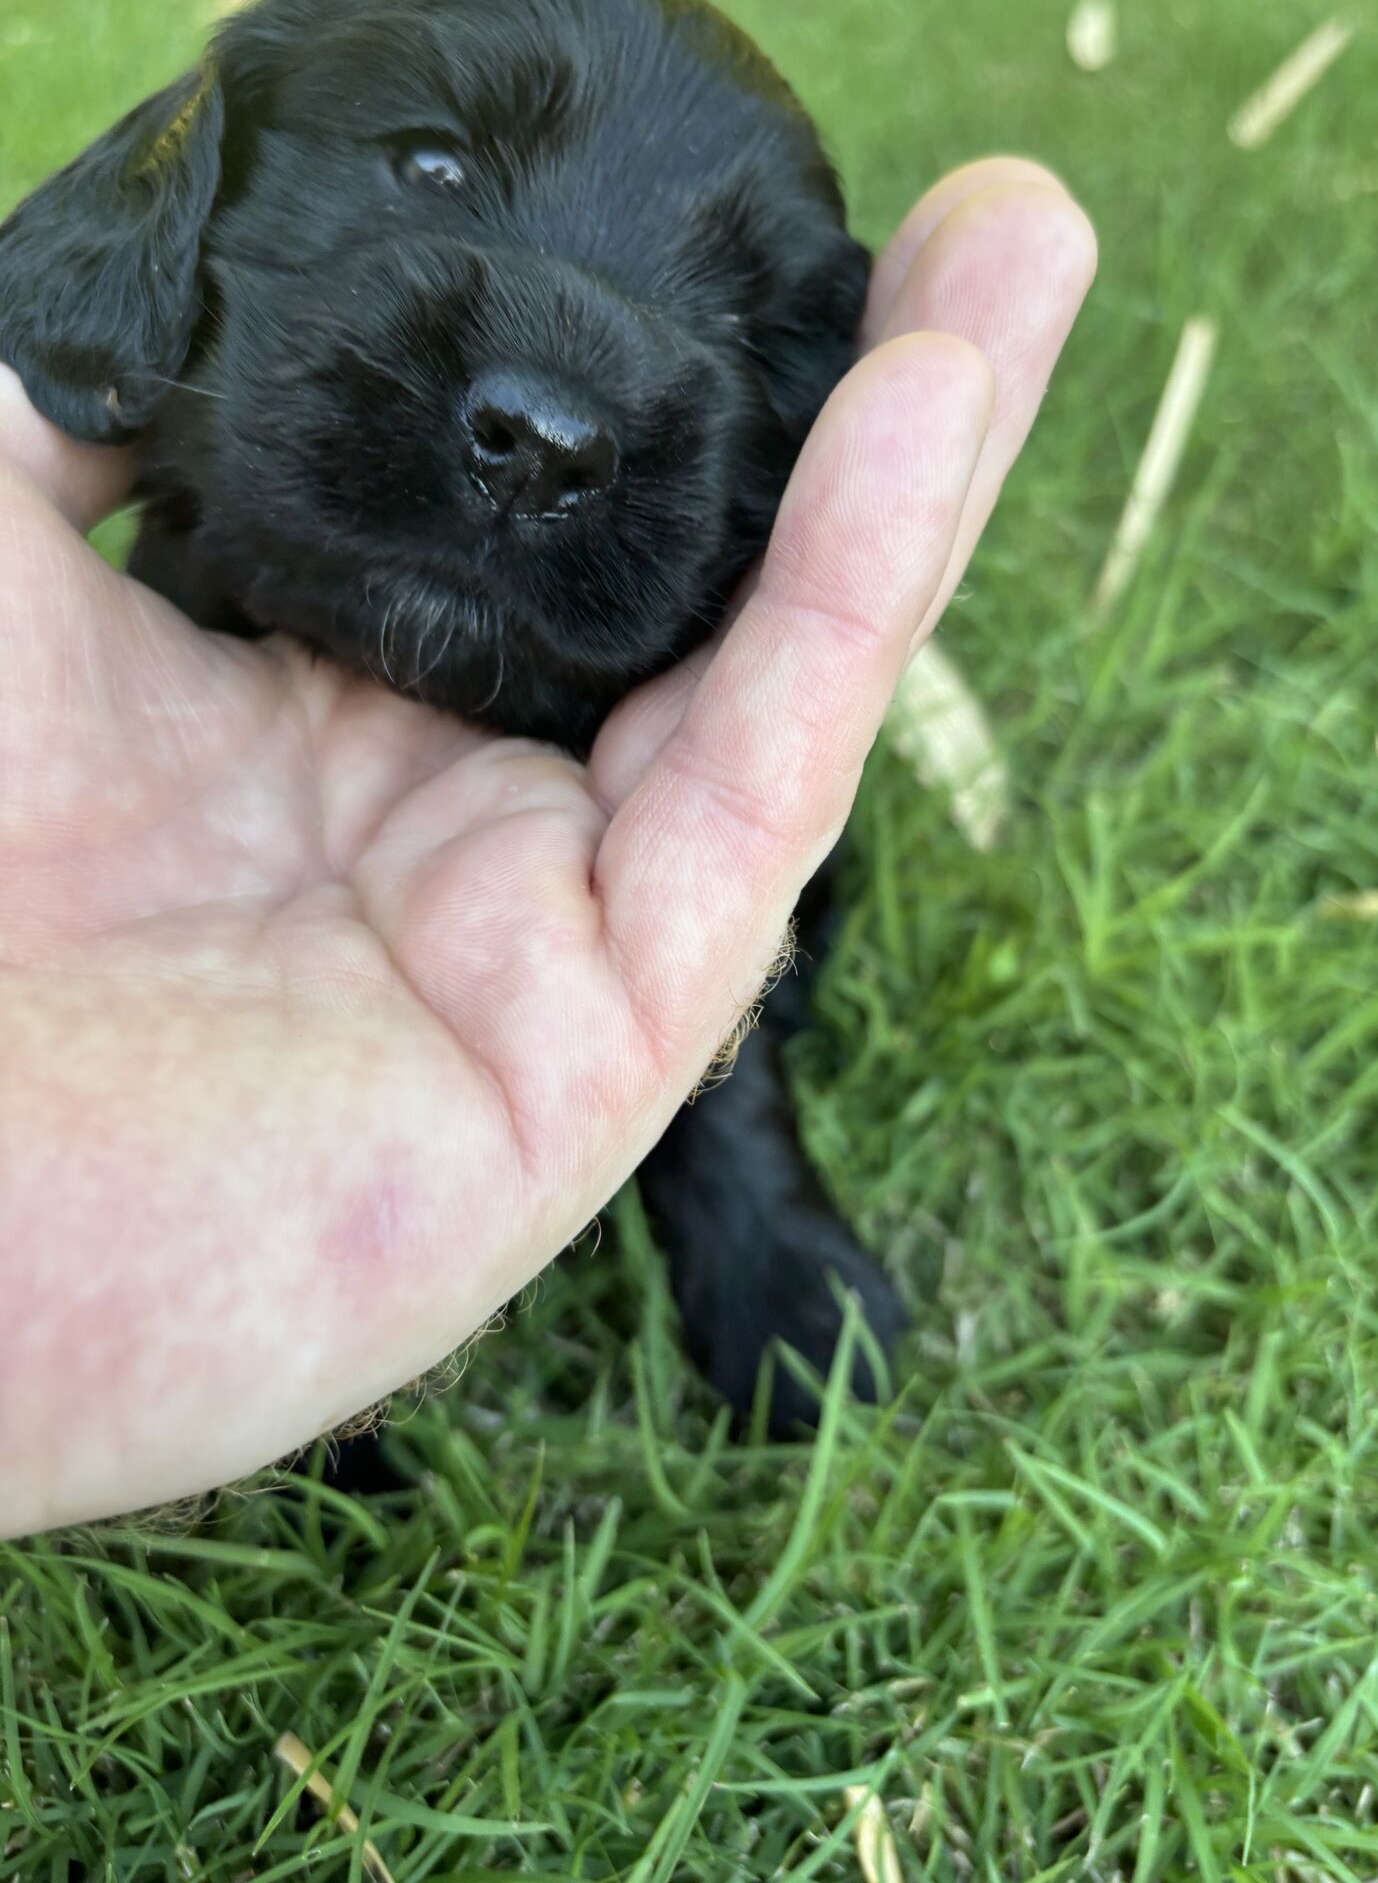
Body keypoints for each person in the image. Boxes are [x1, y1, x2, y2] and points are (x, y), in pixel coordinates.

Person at [0, 161, 1096, 1536]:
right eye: (434, 168)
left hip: (581, 751)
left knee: (715, 850)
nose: (545, 420)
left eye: (749, 324)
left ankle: (736, 1170)